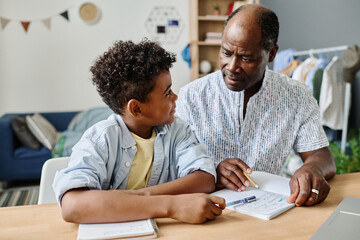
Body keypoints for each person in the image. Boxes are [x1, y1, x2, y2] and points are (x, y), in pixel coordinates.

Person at [176, 4, 336, 207]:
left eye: (245, 57)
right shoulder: (191, 96)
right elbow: (174, 163)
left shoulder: (297, 96)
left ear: (271, 54)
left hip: (269, 210)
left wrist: (312, 169)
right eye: (226, 52)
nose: (232, 66)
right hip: (204, 209)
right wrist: (210, 171)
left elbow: (320, 155)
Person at [53, 39, 225, 224]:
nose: (176, 97)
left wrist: (136, 196)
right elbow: (72, 206)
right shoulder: (100, 140)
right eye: (167, 93)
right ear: (136, 109)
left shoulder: (177, 130)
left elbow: (204, 179)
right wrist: (171, 205)